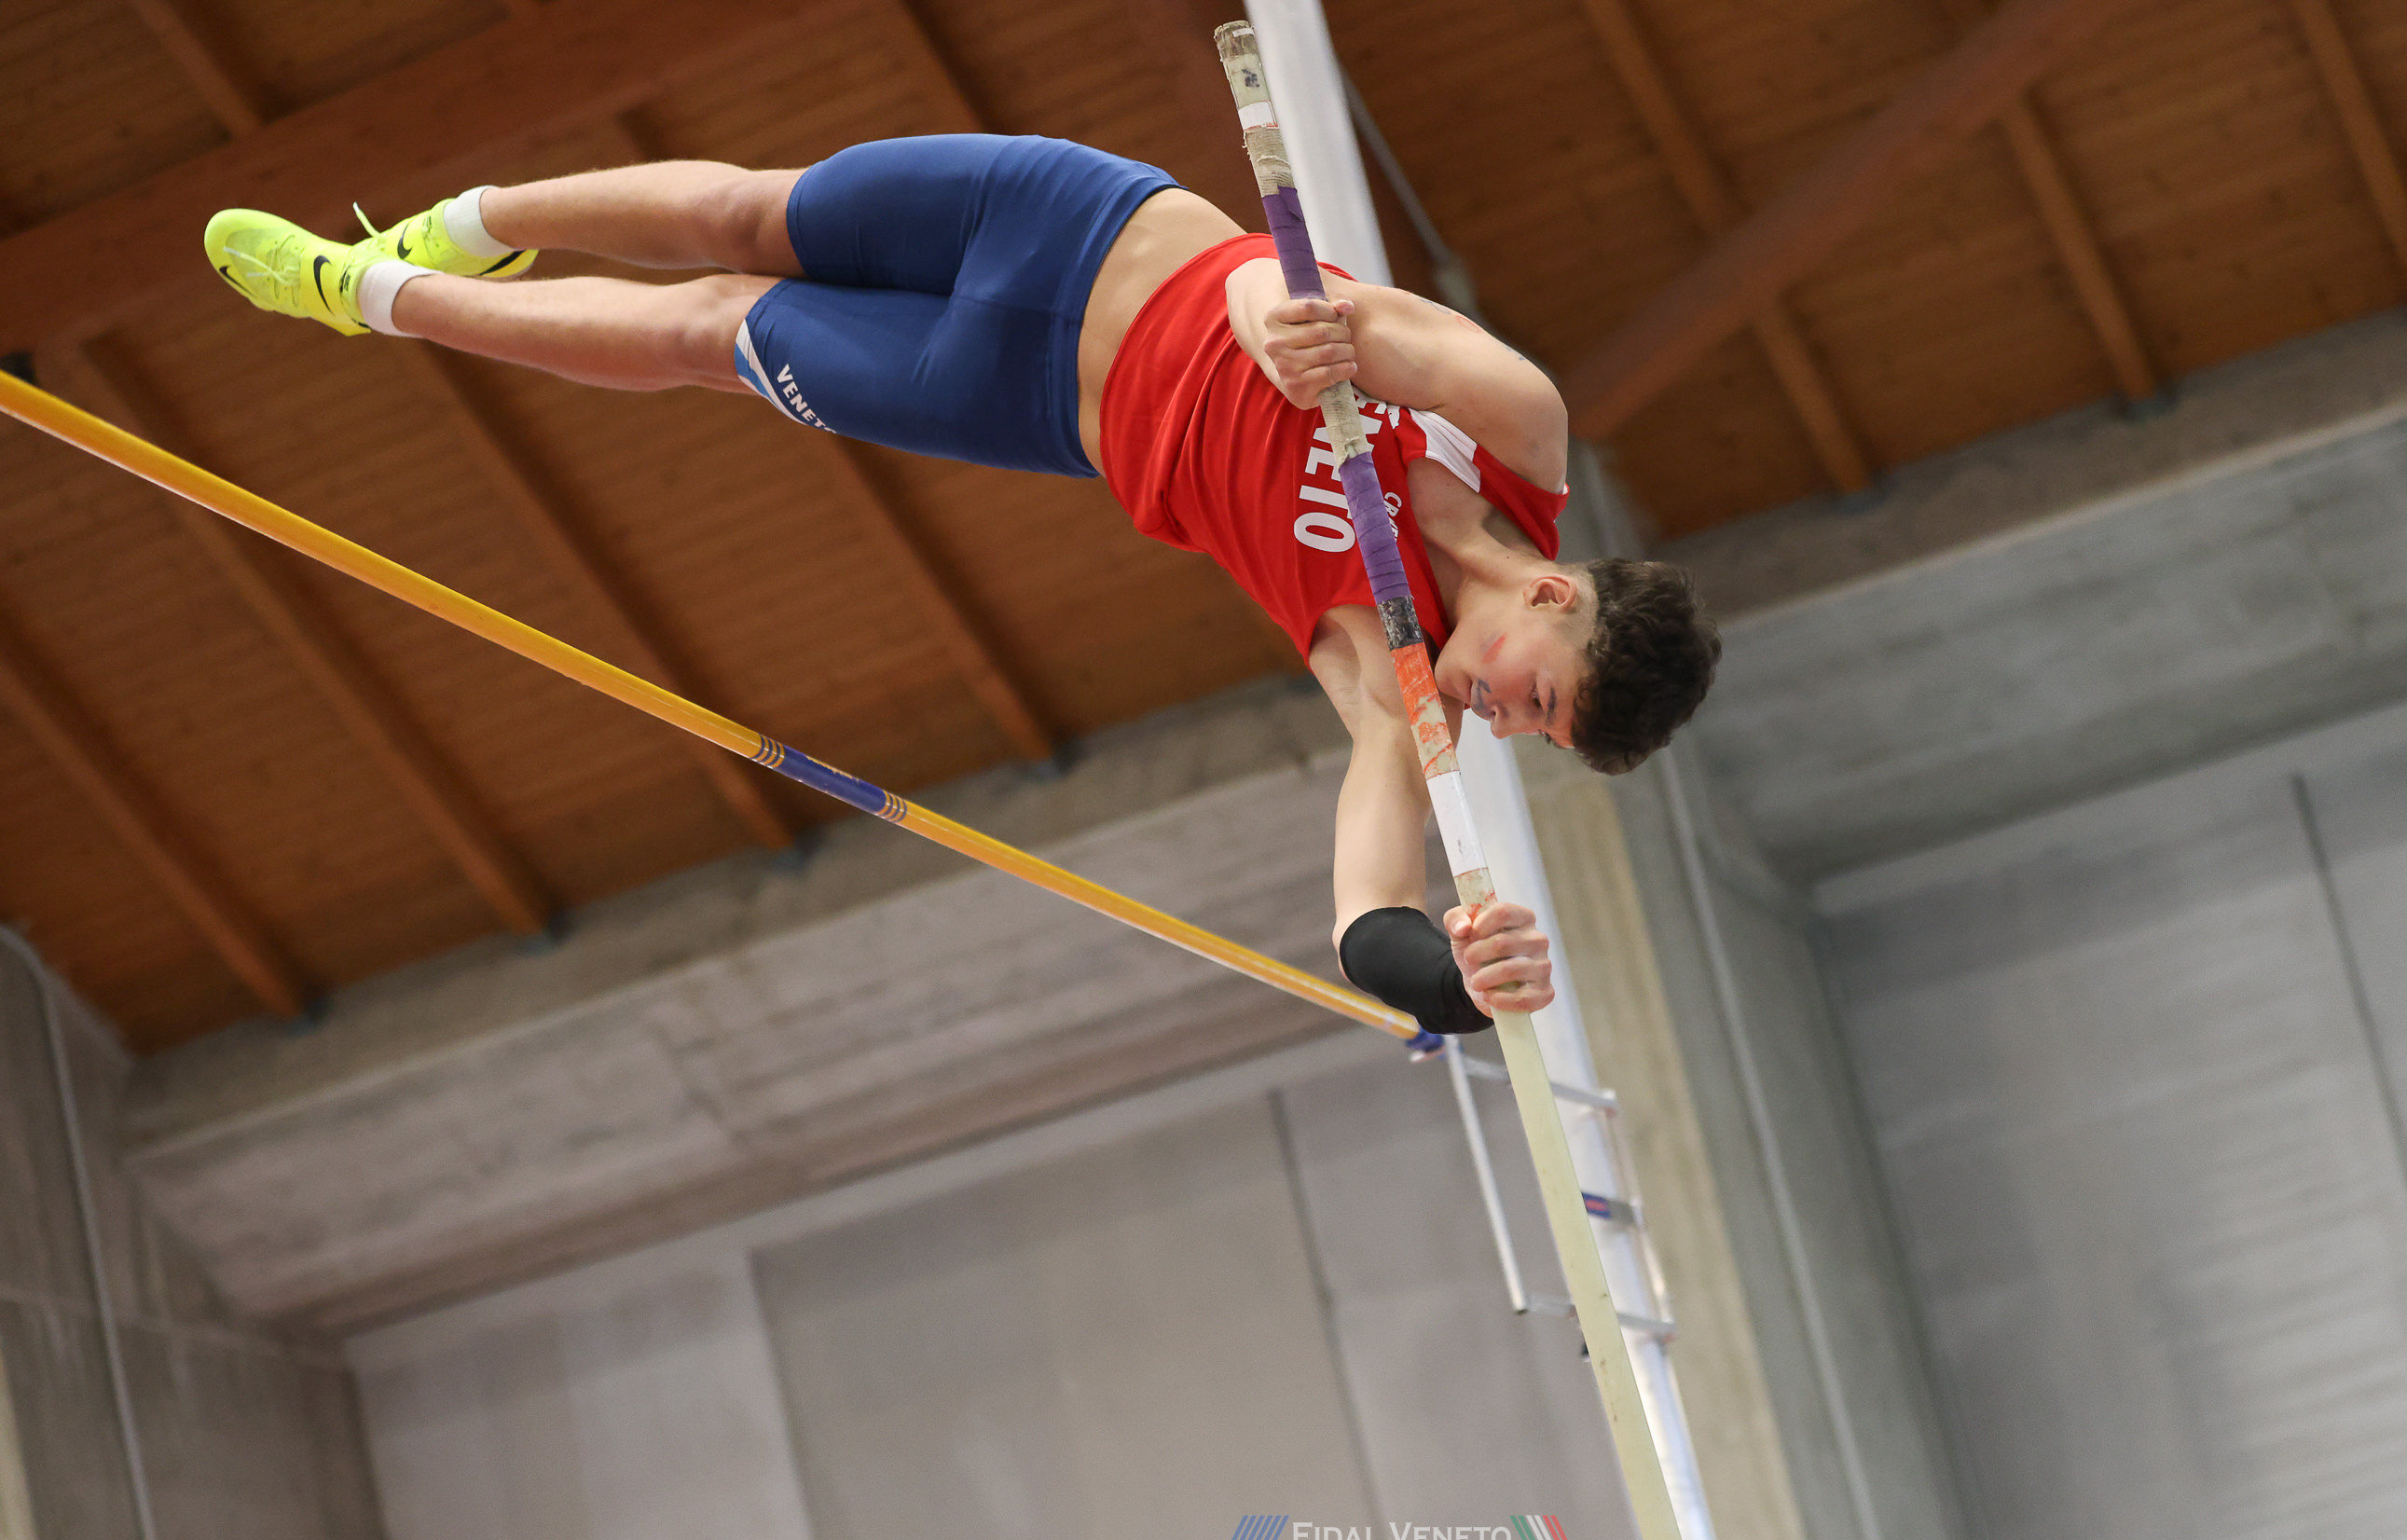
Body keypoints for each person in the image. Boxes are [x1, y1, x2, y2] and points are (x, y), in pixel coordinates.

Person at [200, 134, 1720, 1034]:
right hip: (1089, 223)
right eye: (1539, 704)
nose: (1502, 725)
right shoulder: (1518, 431)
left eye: (1531, 736)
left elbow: (1364, 911)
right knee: (746, 213)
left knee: (708, 332)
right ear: (1557, 598)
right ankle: (475, 222)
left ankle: (372, 296)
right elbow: (1330, 304)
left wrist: (1450, 980)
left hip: (1017, 392)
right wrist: (1278, 317)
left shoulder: (1396, 693)